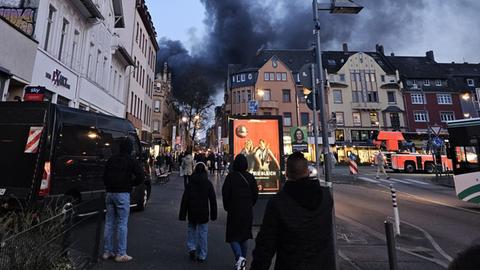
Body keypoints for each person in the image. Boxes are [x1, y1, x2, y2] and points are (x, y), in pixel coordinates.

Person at [250, 152, 334, 270]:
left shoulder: (278, 202)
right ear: (307, 172)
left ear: (287, 173)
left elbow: (265, 246)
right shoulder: (326, 197)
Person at [102, 139, 145, 262]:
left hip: (110, 193)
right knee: (122, 223)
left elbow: (104, 176)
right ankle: (121, 253)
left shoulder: (112, 159)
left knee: (109, 223)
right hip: (123, 193)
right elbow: (141, 176)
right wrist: (131, 184)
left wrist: (109, 186)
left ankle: (107, 251)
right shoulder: (131, 160)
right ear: (130, 149)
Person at [222, 155, 259, 270]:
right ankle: (241, 261)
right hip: (247, 211)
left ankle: (239, 258)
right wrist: (249, 204)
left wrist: (227, 207)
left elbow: (225, 194)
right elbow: (255, 194)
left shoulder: (230, 177)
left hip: (234, 211)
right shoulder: (250, 177)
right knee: (244, 237)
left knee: (233, 236)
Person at [179, 162, 218, 262]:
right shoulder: (208, 183)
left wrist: (182, 214)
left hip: (192, 211)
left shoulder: (190, 183)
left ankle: (191, 247)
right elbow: (213, 200)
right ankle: (202, 254)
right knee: (203, 233)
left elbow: (185, 199)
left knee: (191, 230)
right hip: (203, 212)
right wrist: (214, 214)